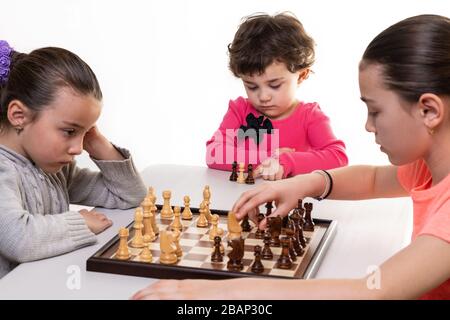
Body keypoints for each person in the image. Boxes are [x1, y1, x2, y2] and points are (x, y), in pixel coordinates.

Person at [132, 14, 450, 299]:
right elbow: (371, 179)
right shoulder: (427, 168)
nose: (368, 126)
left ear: (429, 110)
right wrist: (301, 185)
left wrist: (219, 291)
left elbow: (370, 293)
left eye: (375, 111)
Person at [0, 41, 147, 278]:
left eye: (86, 132)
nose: (78, 149)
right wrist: (80, 222)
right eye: (70, 131)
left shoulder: (55, 169)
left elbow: (129, 195)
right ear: (19, 116)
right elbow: (18, 238)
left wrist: (98, 142)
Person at [205, 12, 348, 181]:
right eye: (251, 86)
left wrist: (286, 161)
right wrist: (269, 157)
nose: (263, 97)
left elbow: (338, 158)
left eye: (274, 85)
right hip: (241, 200)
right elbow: (214, 153)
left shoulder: (310, 116)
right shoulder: (239, 110)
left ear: (301, 75)